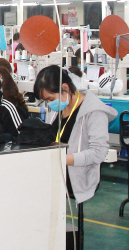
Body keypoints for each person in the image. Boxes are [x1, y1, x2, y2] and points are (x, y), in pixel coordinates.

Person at [34, 65, 112, 203]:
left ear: (65, 88)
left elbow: (98, 153)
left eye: (51, 99)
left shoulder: (94, 112)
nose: (49, 104)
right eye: (46, 100)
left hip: (77, 177)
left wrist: (61, 159)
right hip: (52, 170)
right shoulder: (58, 108)